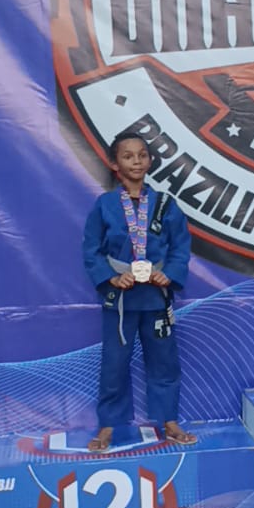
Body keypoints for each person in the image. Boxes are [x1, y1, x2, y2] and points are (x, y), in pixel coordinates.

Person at [82, 129, 196, 451]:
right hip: (120, 299)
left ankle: (169, 421)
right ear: (114, 163)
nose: (136, 161)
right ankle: (108, 425)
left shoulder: (165, 205)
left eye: (142, 155)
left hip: (156, 298)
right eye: (128, 156)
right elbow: (91, 250)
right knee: (114, 363)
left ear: (150, 161)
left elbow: (180, 246)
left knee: (164, 361)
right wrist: (110, 277)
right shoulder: (104, 205)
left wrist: (169, 275)